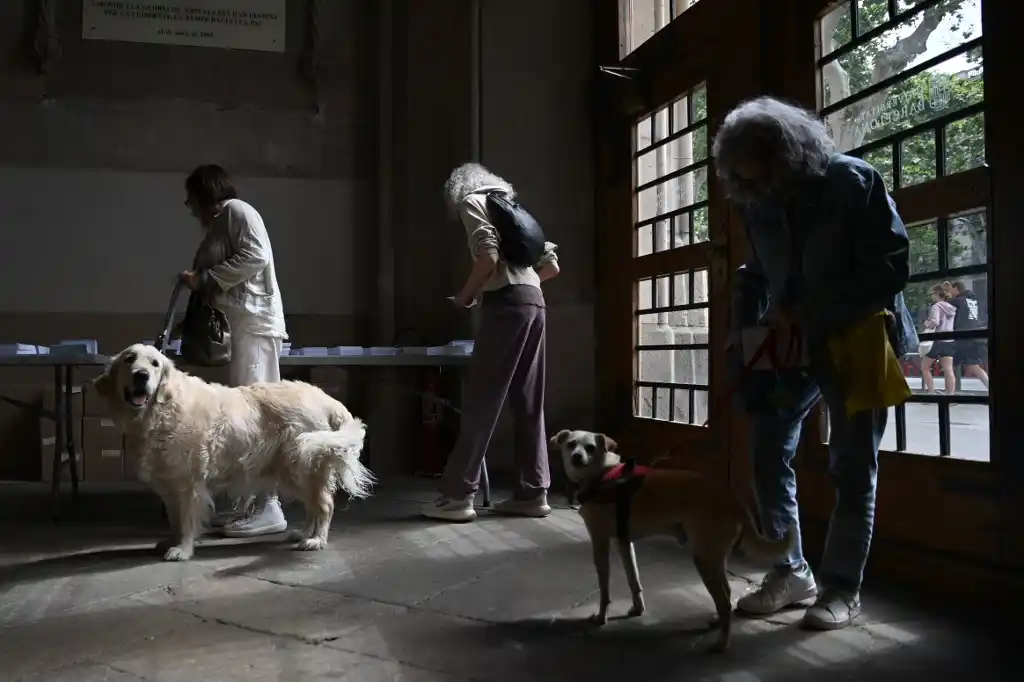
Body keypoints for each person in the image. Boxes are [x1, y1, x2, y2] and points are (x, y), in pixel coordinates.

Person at [714, 97, 916, 630]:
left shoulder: (856, 182)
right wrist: (741, 328)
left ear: (784, 152)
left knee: (852, 465)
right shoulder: (757, 200)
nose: (744, 182)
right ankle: (791, 570)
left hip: (857, 337)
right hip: (788, 346)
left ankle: (842, 587)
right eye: (735, 173)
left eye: (750, 167)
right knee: (766, 449)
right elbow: (755, 270)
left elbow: (889, 269)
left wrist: (804, 310)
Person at [422, 162, 560, 522]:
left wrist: (467, 295)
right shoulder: (514, 208)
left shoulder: (474, 201)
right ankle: (533, 492)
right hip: (535, 302)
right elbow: (552, 267)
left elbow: (488, 255)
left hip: (508, 305)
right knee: (529, 402)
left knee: (483, 399)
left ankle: (457, 496)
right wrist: (522, 287)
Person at [178, 164, 290, 537]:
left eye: (191, 198)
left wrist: (207, 278)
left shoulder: (237, 212)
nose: (189, 207)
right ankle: (249, 504)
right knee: (243, 418)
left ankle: (268, 507)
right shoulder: (222, 222)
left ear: (204, 194)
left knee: (256, 418)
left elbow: (255, 257)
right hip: (242, 328)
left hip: (255, 328)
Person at [943, 280, 989, 390]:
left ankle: (950, 393)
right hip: (974, 336)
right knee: (973, 366)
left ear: (956, 288)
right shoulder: (974, 301)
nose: (950, 292)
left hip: (962, 338)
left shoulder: (958, 301)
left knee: (947, 364)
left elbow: (942, 306)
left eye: (950, 290)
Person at [920, 284, 956, 395]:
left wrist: (926, 323)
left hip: (937, 340)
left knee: (925, 367)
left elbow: (935, 322)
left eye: (932, 293)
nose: (932, 296)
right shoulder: (951, 307)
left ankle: (931, 392)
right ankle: (950, 394)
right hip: (949, 340)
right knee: (948, 369)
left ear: (936, 294)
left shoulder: (936, 306)